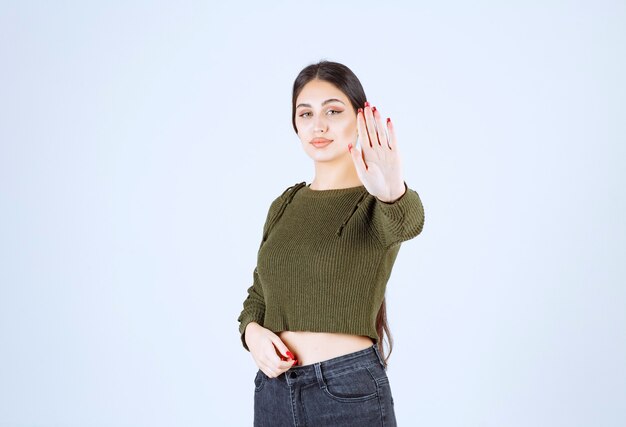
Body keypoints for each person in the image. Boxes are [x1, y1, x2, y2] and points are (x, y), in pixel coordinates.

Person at [237, 60, 425, 426]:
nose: (318, 125)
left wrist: (392, 192)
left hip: (346, 391)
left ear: (360, 117)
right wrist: (253, 333)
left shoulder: (376, 201)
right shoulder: (286, 204)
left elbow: (408, 222)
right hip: (274, 392)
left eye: (333, 111)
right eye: (305, 113)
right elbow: (259, 296)